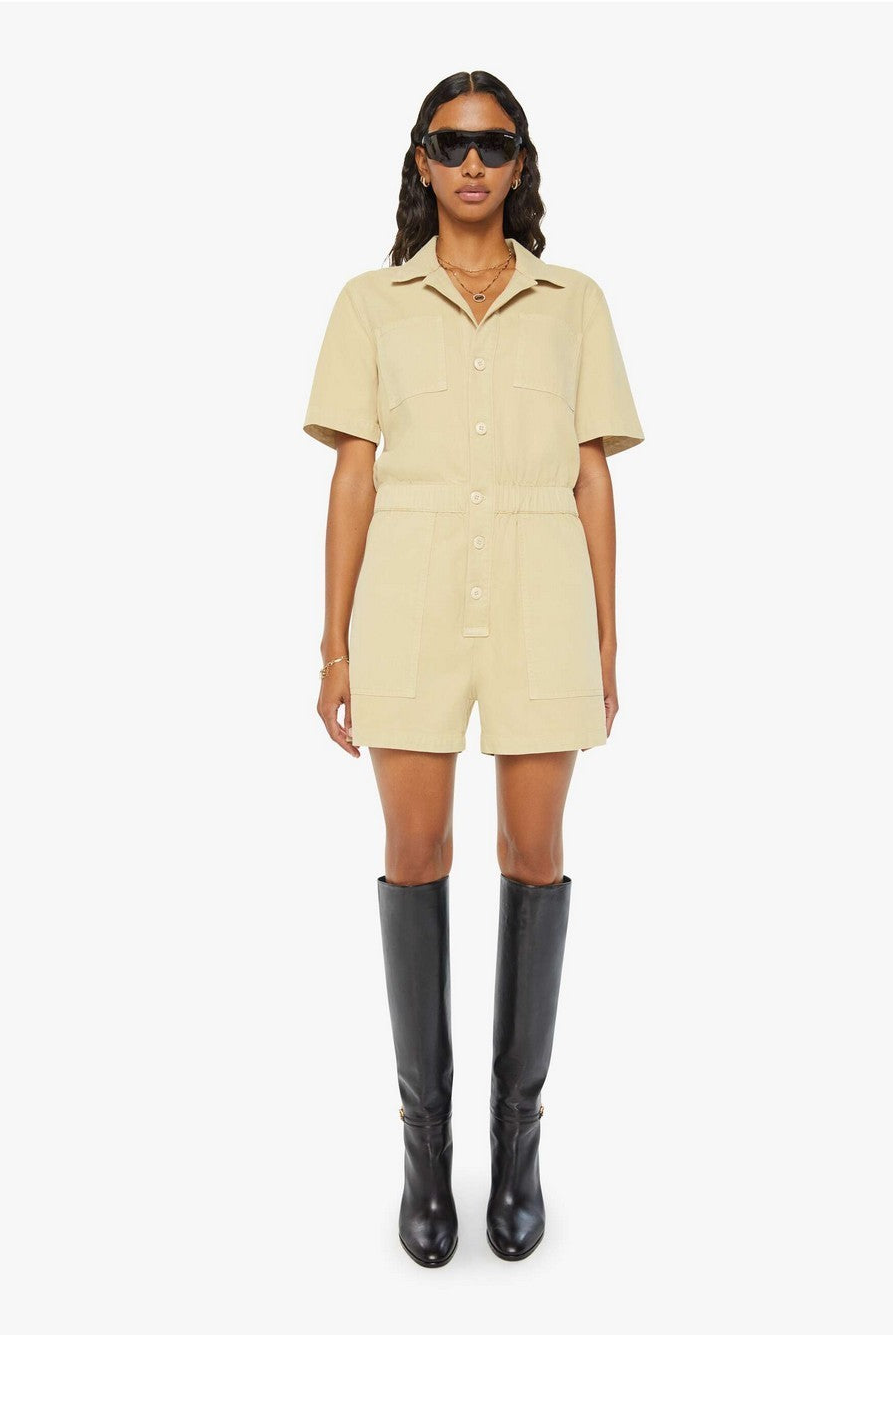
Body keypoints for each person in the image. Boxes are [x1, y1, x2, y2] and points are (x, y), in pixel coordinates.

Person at [302, 70, 645, 1267]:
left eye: (493, 145)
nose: (471, 165)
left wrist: (607, 634)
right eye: (450, 145)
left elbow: (592, 473)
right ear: (420, 161)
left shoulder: (574, 301)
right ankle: (423, 1152)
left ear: (519, 162)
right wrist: (333, 643)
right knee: (415, 854)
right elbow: (353, 475)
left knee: (534, 854)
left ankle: (518, 1145)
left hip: (542, 597)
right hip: (408, 600)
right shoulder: (370, 303)